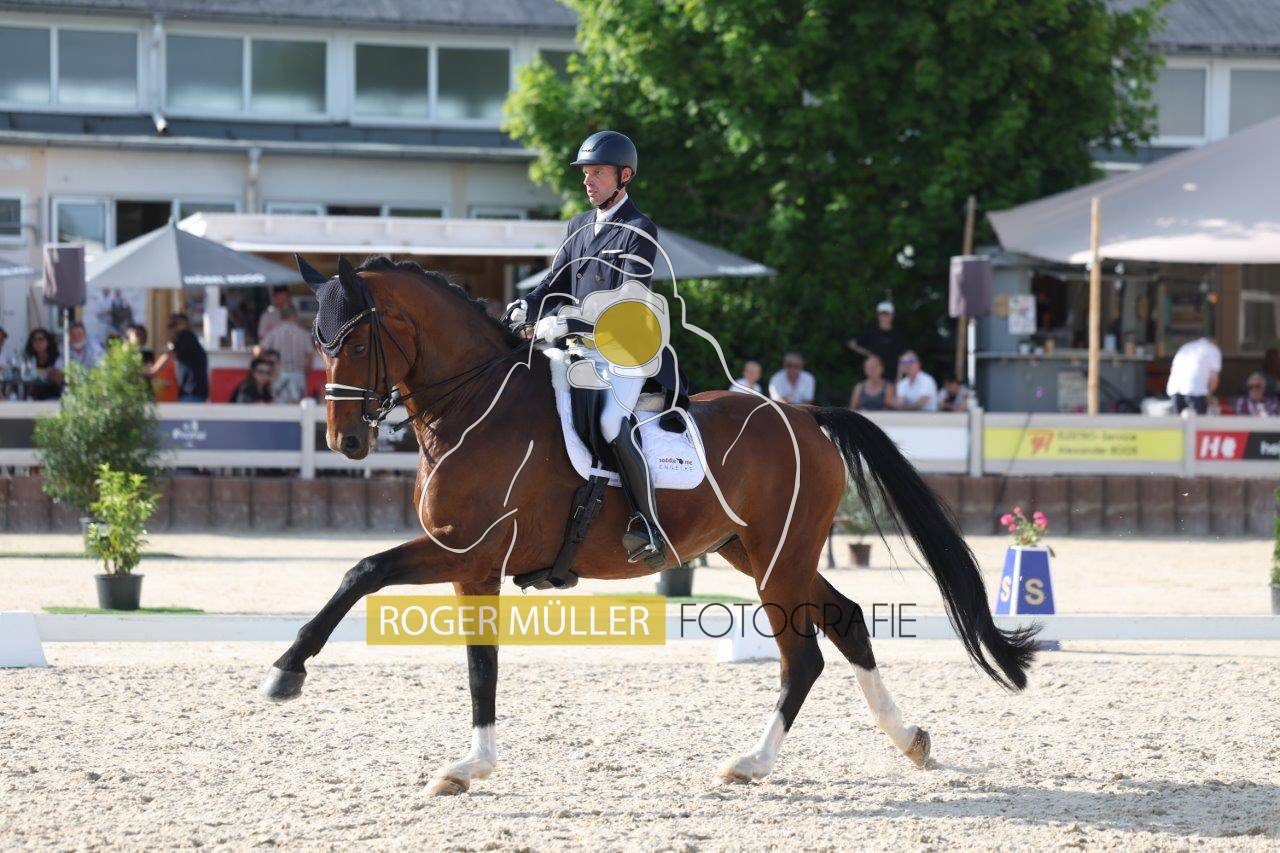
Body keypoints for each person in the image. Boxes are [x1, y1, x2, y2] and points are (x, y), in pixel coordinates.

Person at [501, 130, 670, 566]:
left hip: (623, 351)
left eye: (598, 173)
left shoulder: (639, 230)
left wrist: (567, 321)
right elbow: (554, 281)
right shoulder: (577, 226)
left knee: (612, 422)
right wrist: (528, 304)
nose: (588, 181)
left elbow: (627, 300)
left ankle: (648, 525)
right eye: (586, 173)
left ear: (624, 176)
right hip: (578, 350)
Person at [258, 305, 313, 403]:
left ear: (281, 317)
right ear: (294, 316)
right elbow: (309, 358)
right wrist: (305, 370)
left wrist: (269, 367)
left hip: (279, 375)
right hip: (298, 375)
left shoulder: (274, 332)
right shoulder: (303, 333)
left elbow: (260, 351)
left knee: (279, 406)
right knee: (299, 407)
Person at [147, 314, 208, 402]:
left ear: (183, 324)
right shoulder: (191, 340)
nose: (171, 330)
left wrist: (153, 370)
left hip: (191, 392)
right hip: (195, 391)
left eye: (173, 325)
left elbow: (168, 353)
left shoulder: (184, 335)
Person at [847, 301, 908, 381]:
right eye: (882, 314)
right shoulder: (871, 330)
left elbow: (901, 357)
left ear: (892, 316)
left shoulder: (898, 333)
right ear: (878, 316)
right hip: (874, 375)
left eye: (887, 314)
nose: (884, 317)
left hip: (892, 376)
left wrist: (899, 378)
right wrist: (868, 354)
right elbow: (852, 344)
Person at [1166, 334, 1221, 416]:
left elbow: (1173, 369)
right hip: (1196, 390)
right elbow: (1214, 377)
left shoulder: (1186, 347)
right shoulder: (1213, 350)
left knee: (1177, 422)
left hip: (1175, 388)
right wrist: (1209, 394)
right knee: (1199, 421)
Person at [24, 327, 63, 400]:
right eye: (34, 340)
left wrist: (36, 372)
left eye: (41, 339)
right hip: (33, 397)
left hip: (53, 397)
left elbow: (57, 376)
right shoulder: (29, 358)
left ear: (48, 342)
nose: (37, 342)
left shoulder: (56, 358)